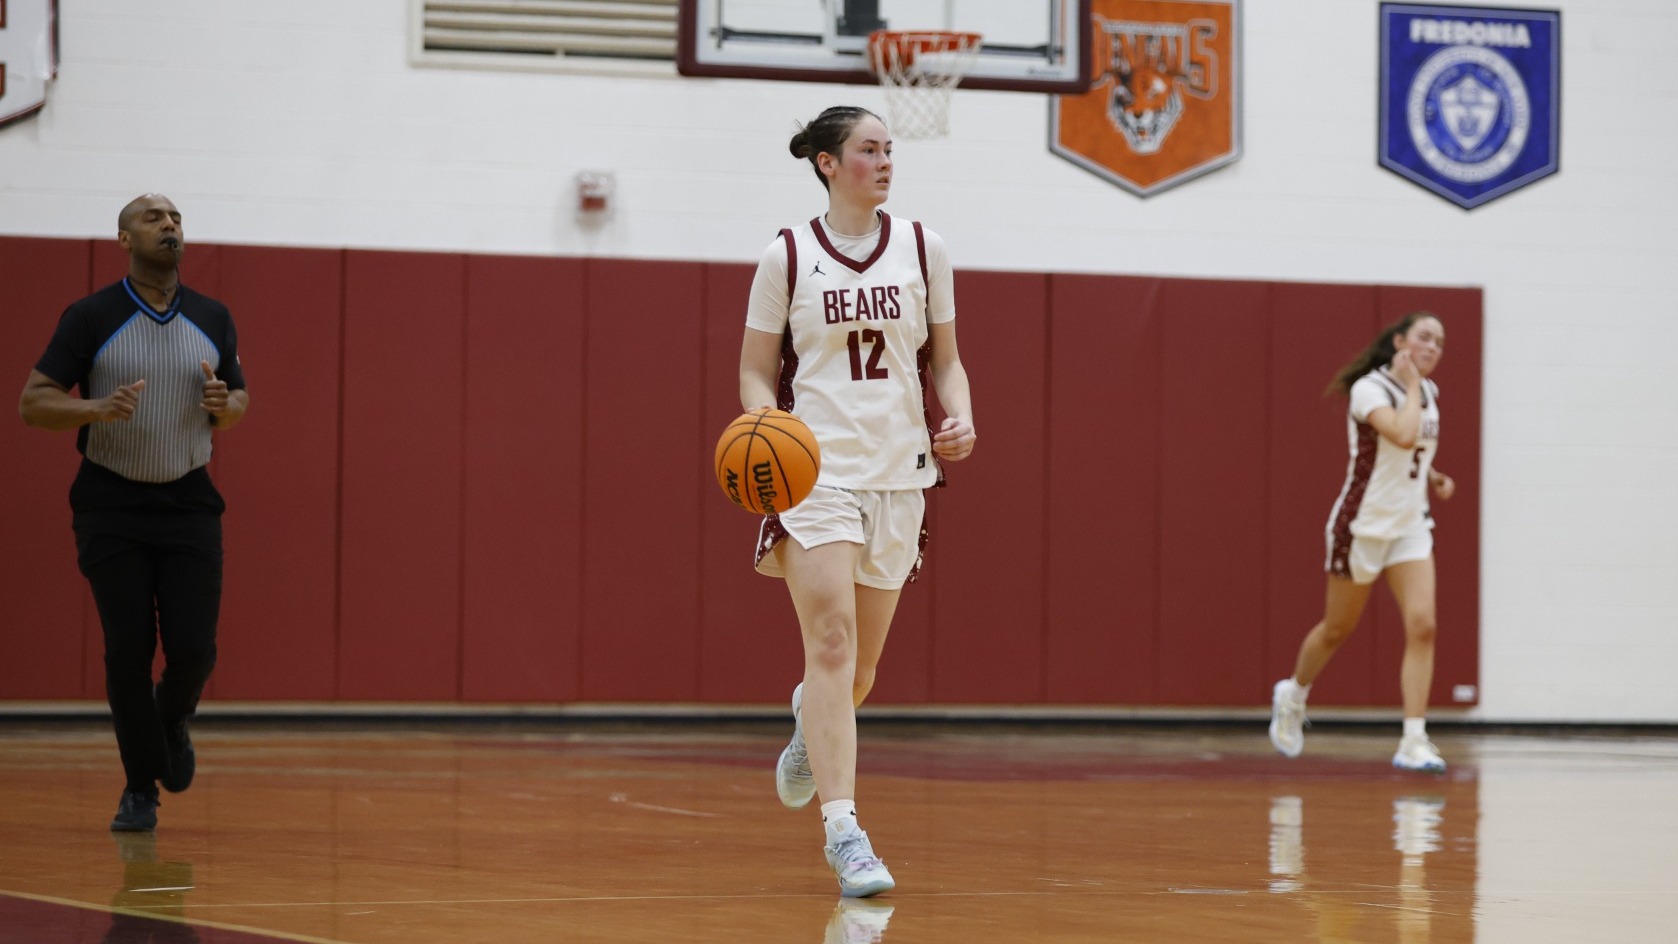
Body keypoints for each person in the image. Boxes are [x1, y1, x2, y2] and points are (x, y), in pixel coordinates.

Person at [739, 105, 976, 897]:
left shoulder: (922, 248)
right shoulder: (788, 255)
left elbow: (946, 362)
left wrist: (961, 412)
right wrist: (764, 423)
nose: (884, 162)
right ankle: (846, 833)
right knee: (833, 641)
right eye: (868, 151)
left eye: (888, 150)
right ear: (828, 164)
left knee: (859, 669)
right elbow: (752, 368)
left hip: (900, 473)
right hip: (814, 474)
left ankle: (812, 718)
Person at [19, 193, 248, 832]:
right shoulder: (91, 316)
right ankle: (140, 786)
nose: (169, 224)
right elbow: (32, 403)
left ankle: (171, 715)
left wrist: (223, 404)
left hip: (188, 504)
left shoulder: (214, 316)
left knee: (195, 651)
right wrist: (93, 410)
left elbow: (239, 401)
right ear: (124, 238)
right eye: (153, 217)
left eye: (175, 217)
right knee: (128, 648)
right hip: (110, 503)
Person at [1269, 312, 1454, 772]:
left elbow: (1411, 448)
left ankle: (1413, 738)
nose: (1432, 348)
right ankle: (1293, 694)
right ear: (1400, 342)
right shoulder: (1370, 389)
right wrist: (1412, 386)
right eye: (1424, 338)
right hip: (1362, 527)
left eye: (1440, 343)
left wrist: (1432, 476)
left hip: (1410, 525)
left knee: (1423, 625)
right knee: (1338, 629)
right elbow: (1401, 431)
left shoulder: (1429, 391)